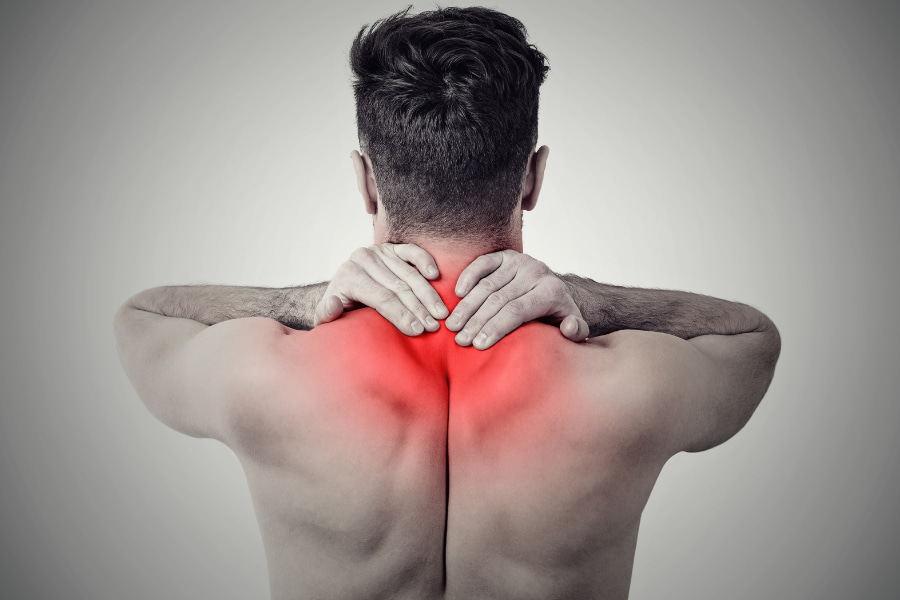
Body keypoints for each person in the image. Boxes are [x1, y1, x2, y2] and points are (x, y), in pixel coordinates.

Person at [114, 7, 780, 600]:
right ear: (532, 176)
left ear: (367, 180)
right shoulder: (627, 383)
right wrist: (591, 300)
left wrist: (306, 300)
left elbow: (142, 318)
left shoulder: (266, 373)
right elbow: (751, 336)